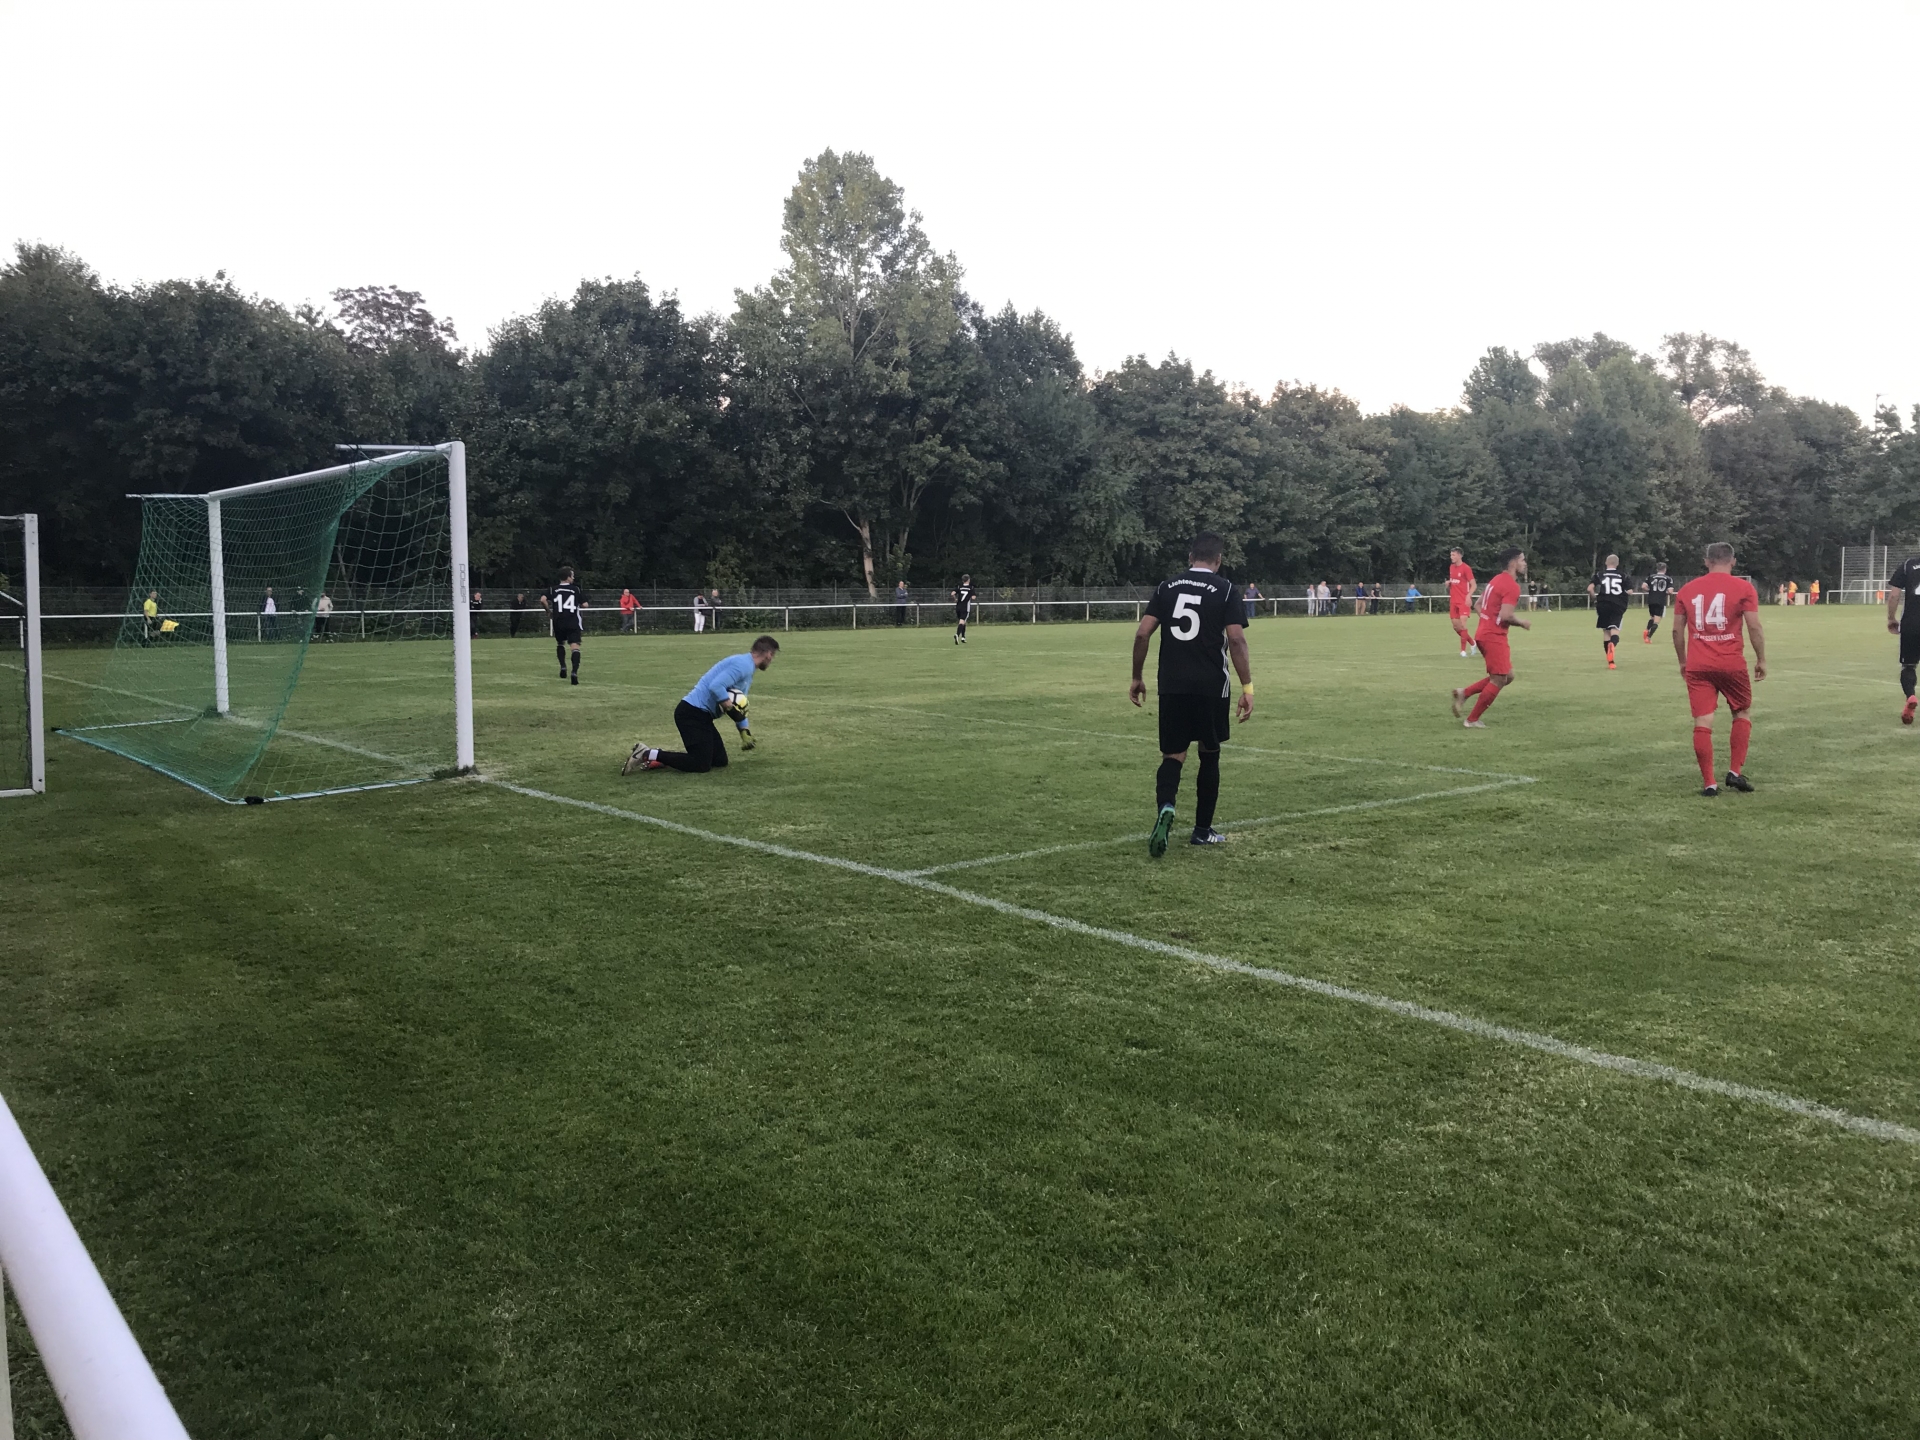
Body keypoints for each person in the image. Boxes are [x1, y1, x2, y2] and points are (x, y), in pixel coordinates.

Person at [1129, 532, 1253, 856]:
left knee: (1173, 755)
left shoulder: (1166, 587)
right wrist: (1247, 687)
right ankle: (1202, 831)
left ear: (1190, 557)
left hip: (1173, 684)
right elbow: (1236, 640)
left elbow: (1142, 634)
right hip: (1212, 685)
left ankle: (1166, 806)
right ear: (1219, 560)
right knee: (1209, 752)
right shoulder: (1226, 589)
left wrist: (1137, 677)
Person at [1674, 542, 1765, 796]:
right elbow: (1754, 626)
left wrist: (1683, 661)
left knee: (1702, 720)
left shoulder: (1687, 589)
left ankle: (1709, 784)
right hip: (1731, 662)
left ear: (1707, 561)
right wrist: (1761, 659)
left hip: (1698, 664)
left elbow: (1676, 631)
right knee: (1742, 711)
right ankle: (1735, 772)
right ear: (1733, 561)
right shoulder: (1744, 588)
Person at [624, 635, 779, 774]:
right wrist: (729, 708)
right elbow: (716, 686)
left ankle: (662, 759)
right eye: (773, 655)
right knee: (700, 764)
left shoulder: (747, 668)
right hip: (691, 713)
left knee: (719, 761)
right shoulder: (743, 665)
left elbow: (740, 705)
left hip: (702, 716)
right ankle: (647, 753)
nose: (772, 660)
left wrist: (744, 731)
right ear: (768, 654)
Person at [1450, 548, 1531, 727]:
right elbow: (1506, 615)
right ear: (1513, 563)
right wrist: (1522, 622)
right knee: (1499, 679)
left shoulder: (1496, 580)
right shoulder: (1511, 586)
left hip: (1484, 633)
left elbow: (1478, 605)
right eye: (1522, 560)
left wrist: (1488, 622)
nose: (1524, 563)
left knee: (1507, 675)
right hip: (1493, 637)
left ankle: (1464, 693)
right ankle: (1472, 720)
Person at [1884, 553, 1920, 725]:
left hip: (1911, 624)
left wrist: (1891, 618)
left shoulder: (1908, 565)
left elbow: (1894, 595)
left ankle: (1910, 696)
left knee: (1909, 666)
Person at [542, 567, 586, 684]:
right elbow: (585, 605)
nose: (573, 578)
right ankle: (574, 672)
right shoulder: (576, 589)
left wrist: (548, 611)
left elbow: (543, 599)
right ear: (568, 577)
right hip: (572, 621)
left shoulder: (553, 589)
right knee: (575, 646)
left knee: (560, 643)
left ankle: (563, 666)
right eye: (572, 576)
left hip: (559, 621)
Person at [1588, 553, 1629, 669]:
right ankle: (1613, 644)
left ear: (1606, 563)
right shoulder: (1623, 575)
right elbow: (1630, 591)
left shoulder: (1599, 574)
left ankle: (1611, 662)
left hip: (1602, 604)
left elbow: (1590, 588)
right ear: (1617, 564)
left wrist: (1594, 598)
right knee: (1615, 630)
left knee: (1606, 632)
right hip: (1617, 605)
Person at [1445, 549, 1477, 657]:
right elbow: (1455, 582)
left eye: (1453, 555)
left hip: (1463, 601)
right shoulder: (1451, 567)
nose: (1451, 557)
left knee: (1462, 625)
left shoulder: (1466, 568)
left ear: (1459, 556)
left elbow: (1474, 585)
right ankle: (1473, 643)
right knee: (1456, 627)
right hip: (1453, 601)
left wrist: (1468, 596)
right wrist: (1449, 583)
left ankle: (1463, 651)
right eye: (1451, 555)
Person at [1642, 562, 1675, 643]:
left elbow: (1643, 586)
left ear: (1657, 569)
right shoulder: (1668, 578)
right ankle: (1648, 637)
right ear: (1665, 569)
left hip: (1651, 600)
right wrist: (1664, 592)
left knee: (1652, 618)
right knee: (1656, 621)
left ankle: (1646, 630)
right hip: (1660, 601)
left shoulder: (1651, 577)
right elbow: (1670, 591)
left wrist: (1651, 591)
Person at [951, 574, 977, 644]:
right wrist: (971, 596)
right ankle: (957, 634)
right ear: (968, 580)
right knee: (962, 622)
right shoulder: (971, 587)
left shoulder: (960, 587)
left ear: (963, 580)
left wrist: (955, 599)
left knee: (963, 621)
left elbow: (952, 593)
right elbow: (973, 597)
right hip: (965, 607)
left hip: (958, 607)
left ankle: (963, 637)